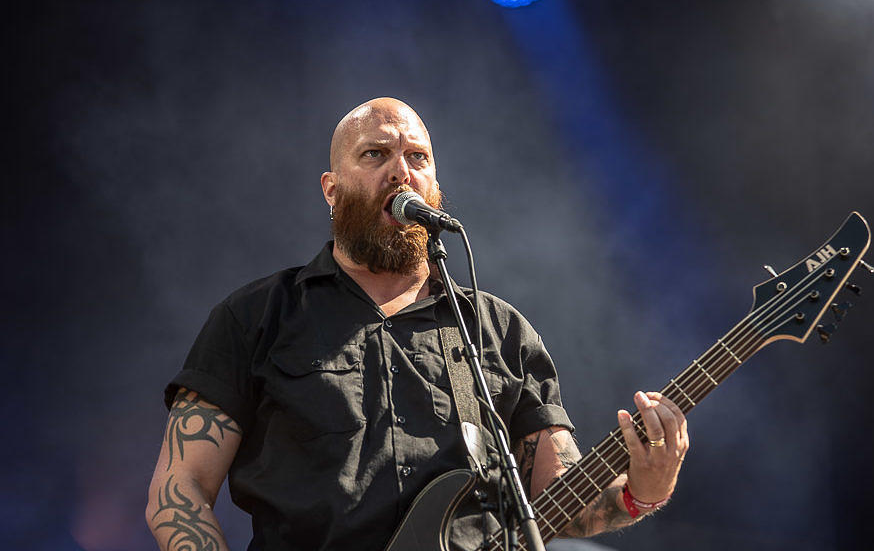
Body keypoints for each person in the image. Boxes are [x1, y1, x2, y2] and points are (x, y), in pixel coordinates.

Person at [145, 97, 689, 551]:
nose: (400, 171)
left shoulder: (499, 331)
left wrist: (643, 490)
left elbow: (560, 505)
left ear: (433, 185)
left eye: (417, 157)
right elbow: (179, 490)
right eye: (375, 154)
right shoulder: (256, 317)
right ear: (332, 190)